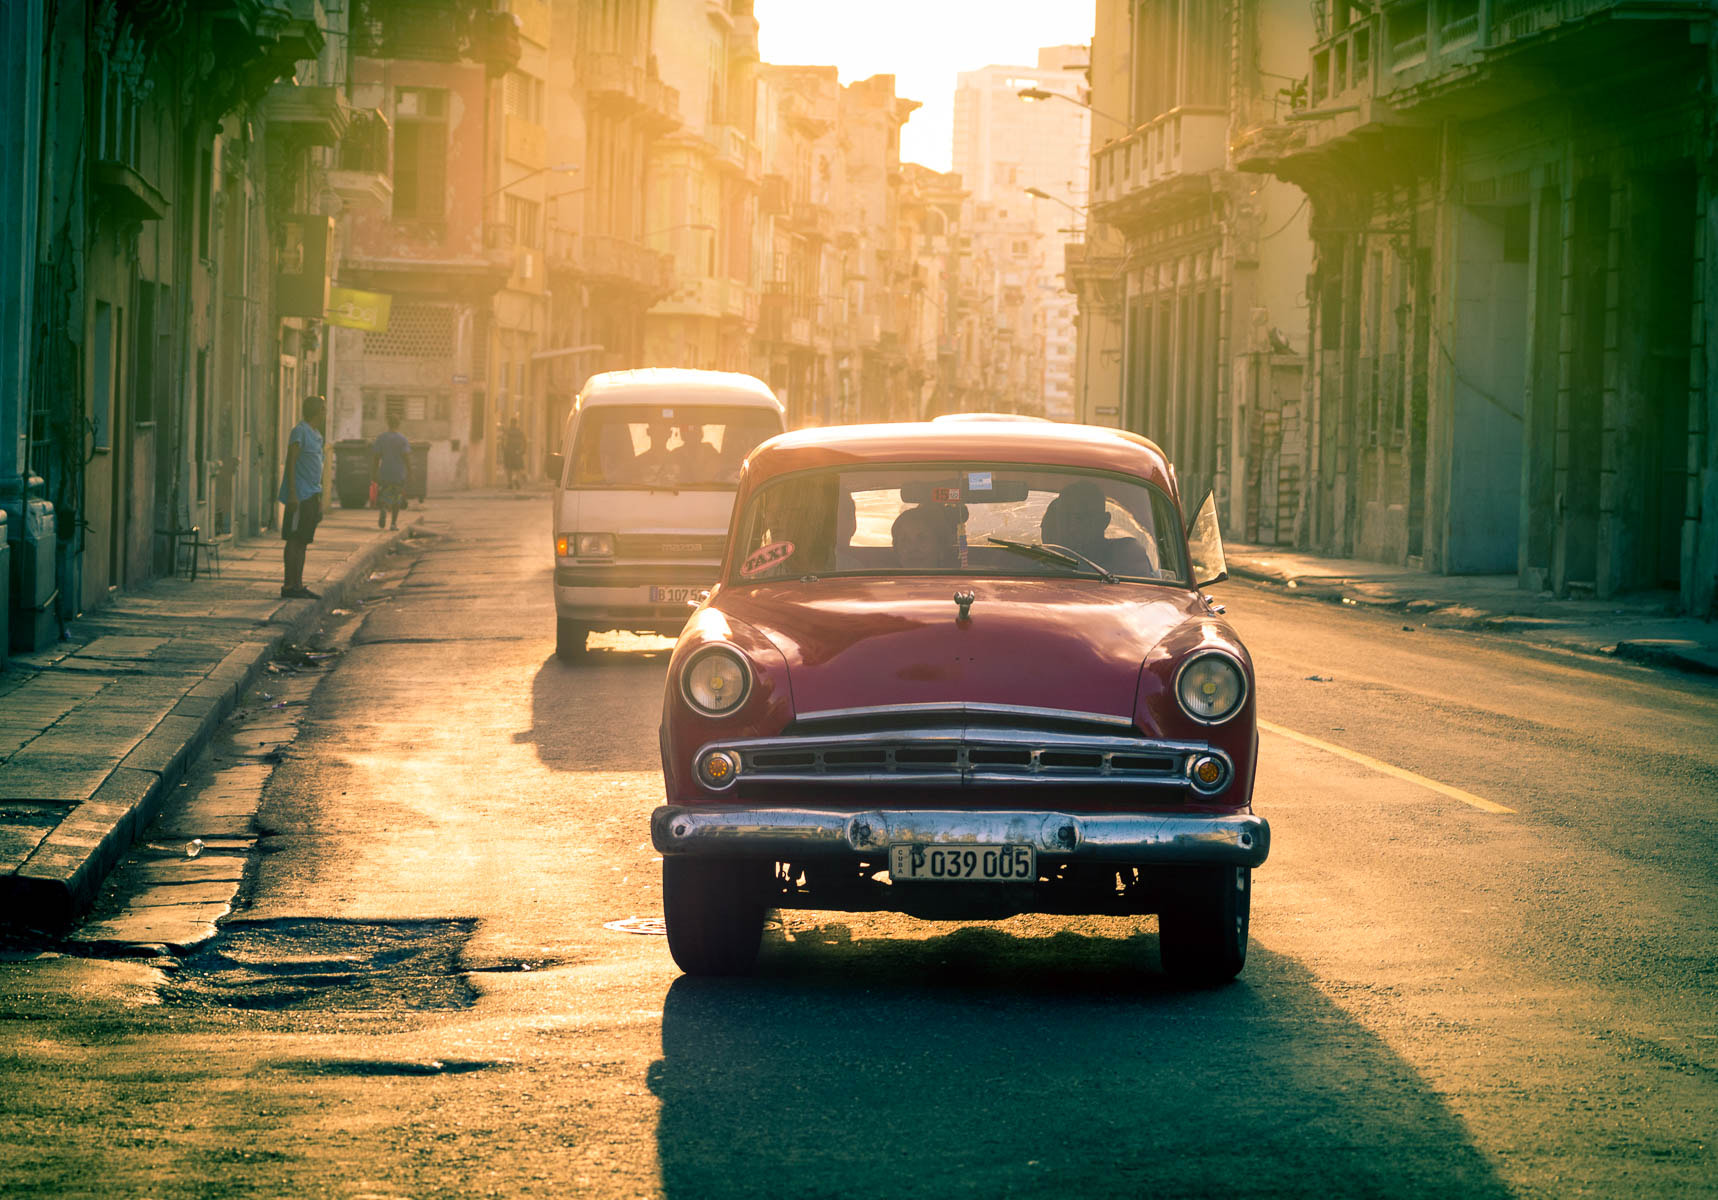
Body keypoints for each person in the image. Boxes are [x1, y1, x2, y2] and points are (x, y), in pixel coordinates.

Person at [1040, 479, 1158, 576]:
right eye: (1066, 517)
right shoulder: (1037, 561)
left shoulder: (1126, 556)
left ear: (1104, 521)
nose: (1073, 526)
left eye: (1084, 517)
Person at [278, 394, 326, 599]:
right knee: (294, 539)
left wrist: (320, 499)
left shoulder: (317, 435)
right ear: (316, 411)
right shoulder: (300, 431)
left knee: (304, 539)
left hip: (312, 493)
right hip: (299, 493)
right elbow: (291, 461)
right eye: (323, 409)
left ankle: (298, 584)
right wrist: (292, 494)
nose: (325, 413)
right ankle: (289, 585)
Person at [370, 410, 411, 530]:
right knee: (397, 498)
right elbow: (406, 457)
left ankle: (383, 508)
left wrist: (374, 472)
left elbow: (376, 457)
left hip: (385, 472)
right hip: (398, 473)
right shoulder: (402, 439)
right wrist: (410, 472)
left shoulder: (381, 438)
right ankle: (393, 524)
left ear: (388, 423)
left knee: (384, 494)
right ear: (399, 424)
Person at [503, 418, 527, 490]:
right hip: (517, 453)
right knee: (517, 469)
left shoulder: (507, 431)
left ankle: (510, 483)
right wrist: (522, 451)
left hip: (509, 453)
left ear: (511, 423)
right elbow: (524, 442)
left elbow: (503, 442)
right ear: (516, 423)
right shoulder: (519, 432)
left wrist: (504, 450)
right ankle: (515, 480)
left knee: (509, 469)